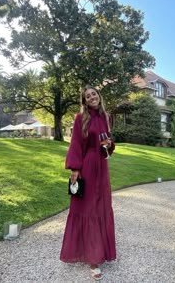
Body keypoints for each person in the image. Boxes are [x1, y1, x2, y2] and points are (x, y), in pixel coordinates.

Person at [60, 85, 116, 281]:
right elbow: (76, 143)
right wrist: (75, 168)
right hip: (87, 167)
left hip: (103, 167)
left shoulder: (106, 117)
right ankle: (93, 260)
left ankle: (102, 251)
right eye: (88, 96)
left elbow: (108, 143)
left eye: (94, 94)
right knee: (89, 209)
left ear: (99, 95)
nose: (92, 97)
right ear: (84, 101)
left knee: (102, 207)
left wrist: (109, 145)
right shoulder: (80, 118)